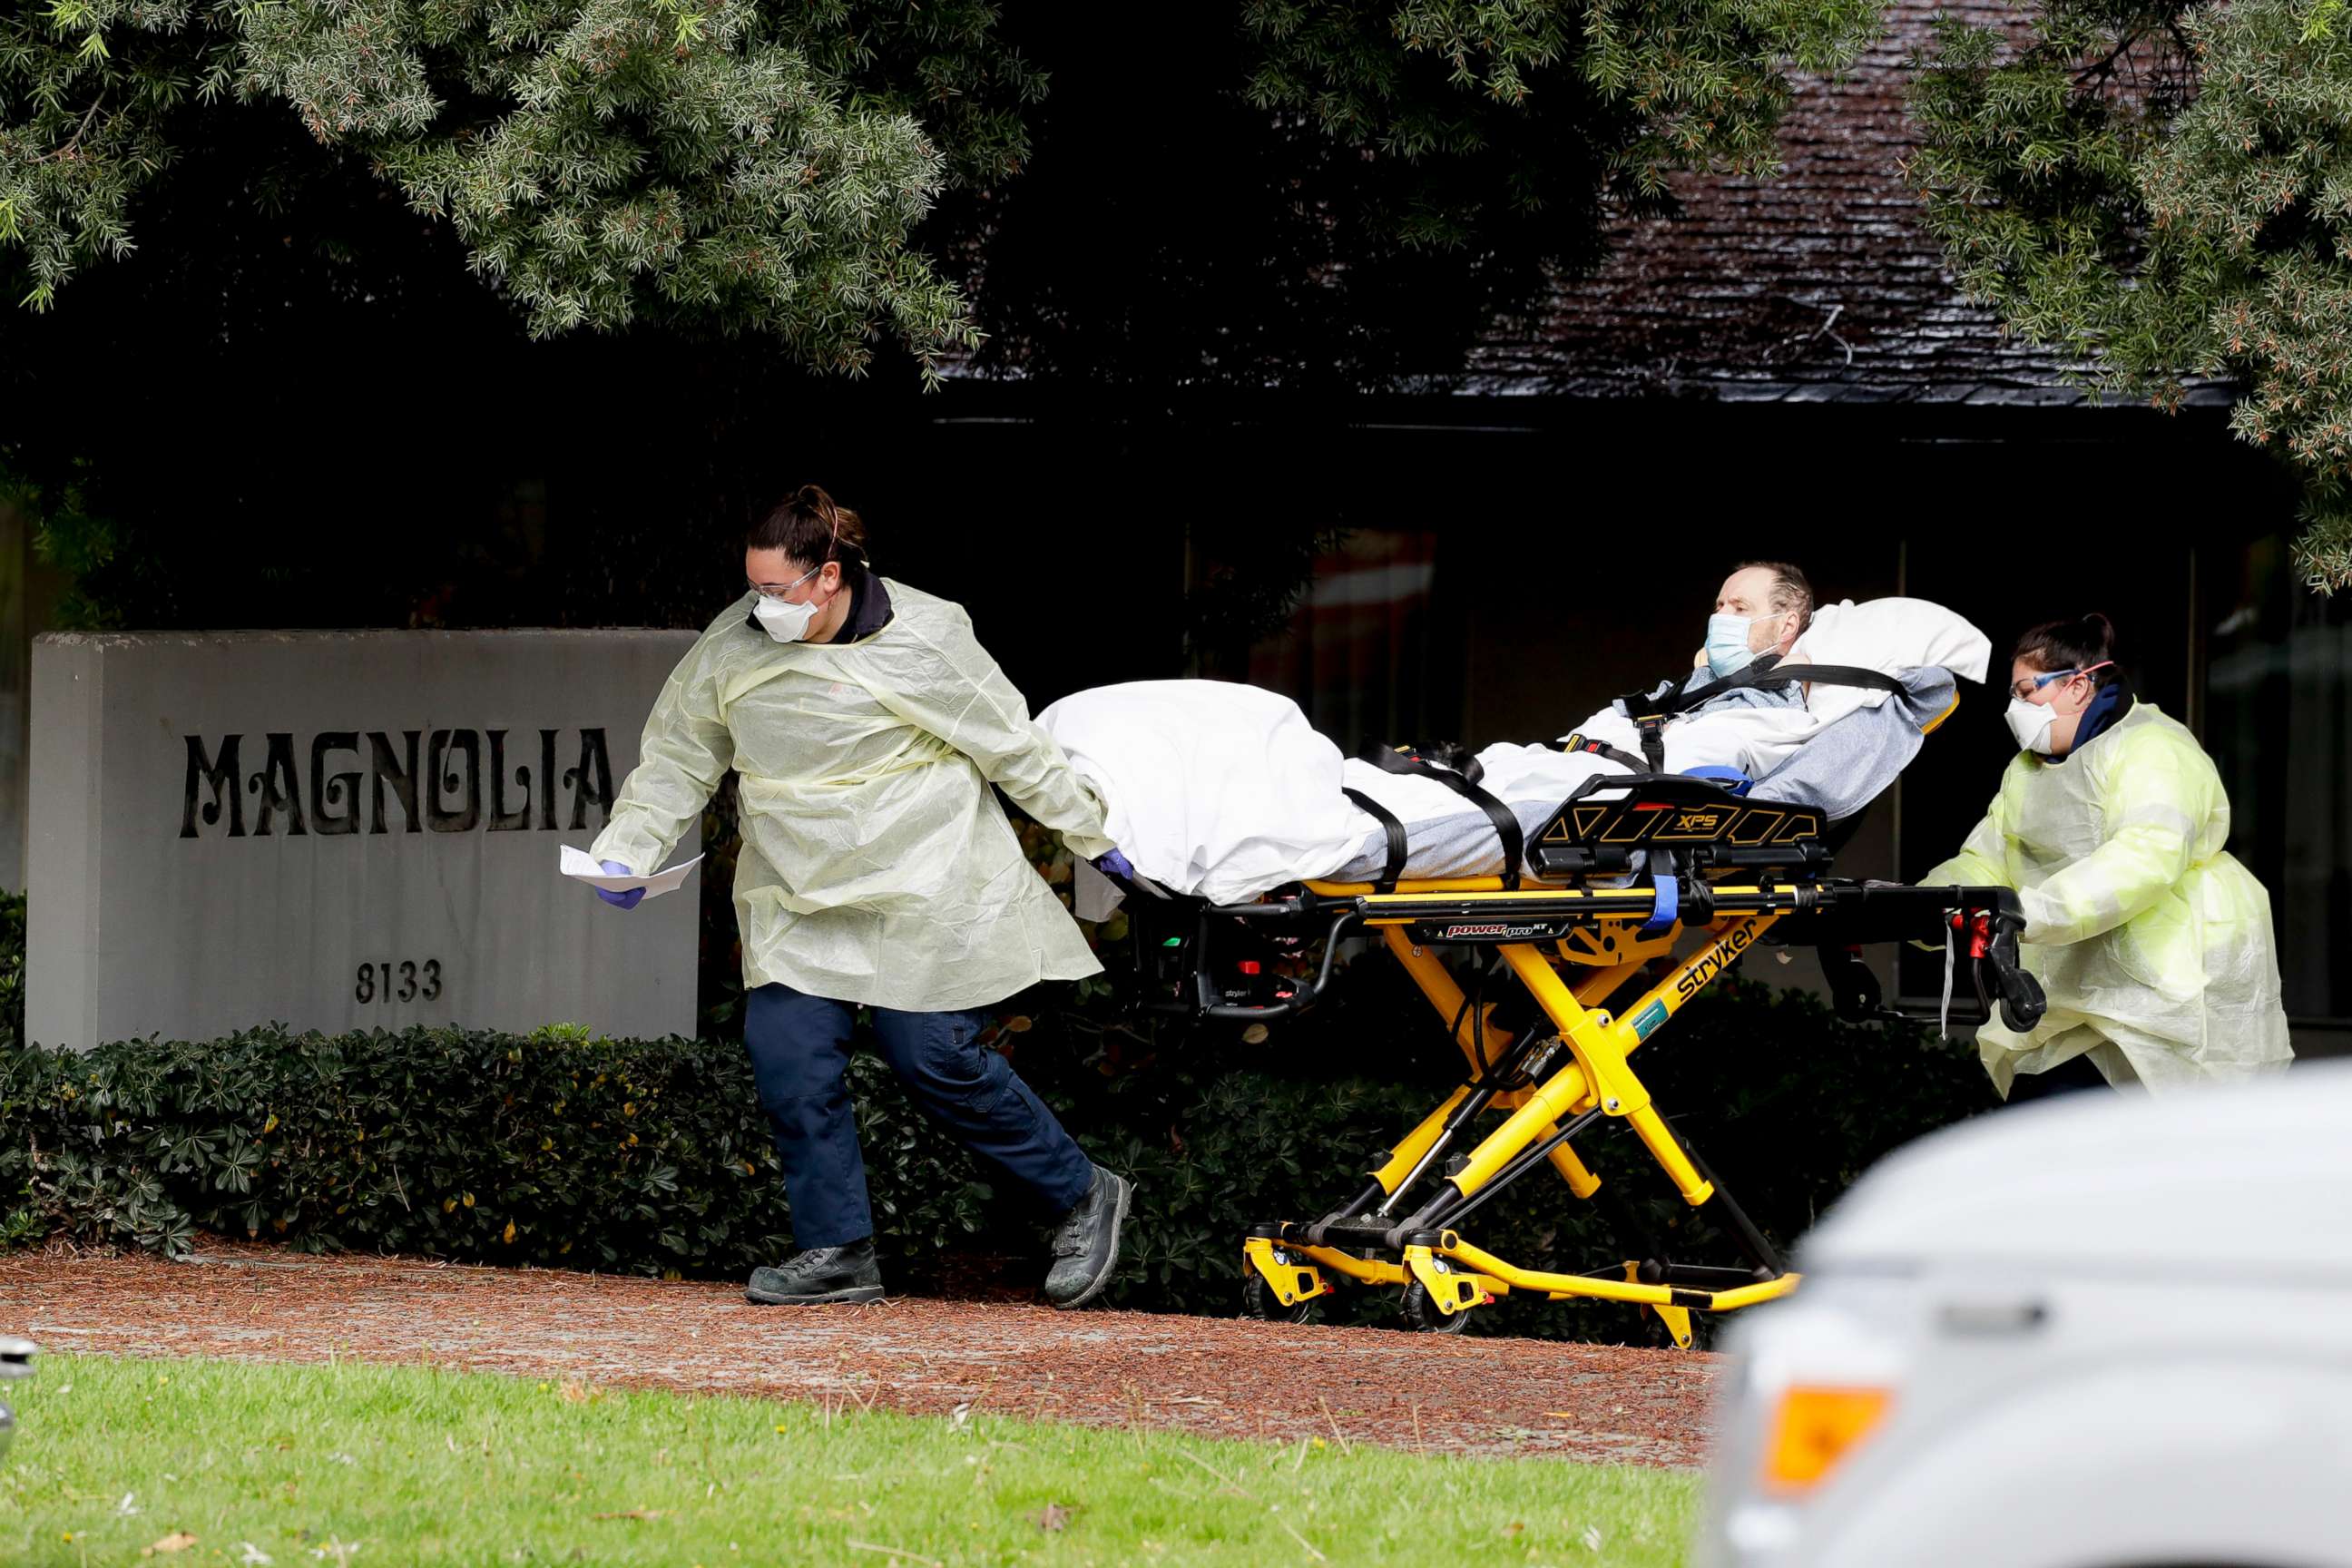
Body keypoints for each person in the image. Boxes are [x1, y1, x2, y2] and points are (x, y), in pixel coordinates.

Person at [586, 485, 1132, 1308]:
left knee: (935, 1058)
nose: (757, 608)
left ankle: (1081, 1194)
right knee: (789, 1055)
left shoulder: (926, 637)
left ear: (831, 576)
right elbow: (677, 757)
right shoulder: (733, 646)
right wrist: (626, 854)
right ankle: (837, 1251)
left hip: (925, 881)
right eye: (753, 589)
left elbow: (1012, 746)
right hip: (799, 891)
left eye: (776, 592)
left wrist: (1093, 838)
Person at [1922, 613, 2293, 1100]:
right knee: (2050, 1136)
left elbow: (2147, 853)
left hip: (2163, 1001)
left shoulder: (2152, 747)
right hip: (2076, 1000)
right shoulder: (2027, 772)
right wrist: (1920, 905)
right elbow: (1989, 860)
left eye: (2027, 691)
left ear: (2077, 687)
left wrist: (2029, 911)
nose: (2015, 708)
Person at [1564, 561, 1814, 773]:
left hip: (1612, 775)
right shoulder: (1702, 680)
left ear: (1786, 626)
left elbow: (1713, 741)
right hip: (1575, 762)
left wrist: (1793, 669)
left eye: (1740, 608)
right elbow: (1621, 715)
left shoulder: (1774, 691)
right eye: (1720, 606)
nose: (1720, 617)